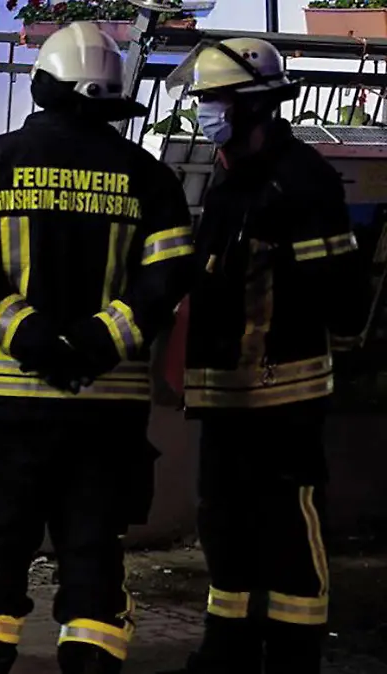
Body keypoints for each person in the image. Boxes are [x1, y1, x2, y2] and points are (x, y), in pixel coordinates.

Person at [0, 22, 195, 674]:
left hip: (5, 400)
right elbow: (166, 278)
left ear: (42, 87)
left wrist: (25, 336)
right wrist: (97, 341)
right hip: (104, 404)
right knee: (93, 547)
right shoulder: (149, 177)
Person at [161, 37, 371, 674]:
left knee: (288, 528)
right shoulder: (230, 178)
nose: (204, 111)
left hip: (283, 395)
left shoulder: (300, 182)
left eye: (215, 99)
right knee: (222, 525)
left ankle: (293, 656)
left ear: (253, 105)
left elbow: (338, 290)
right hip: (224, 392)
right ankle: (225, 651)